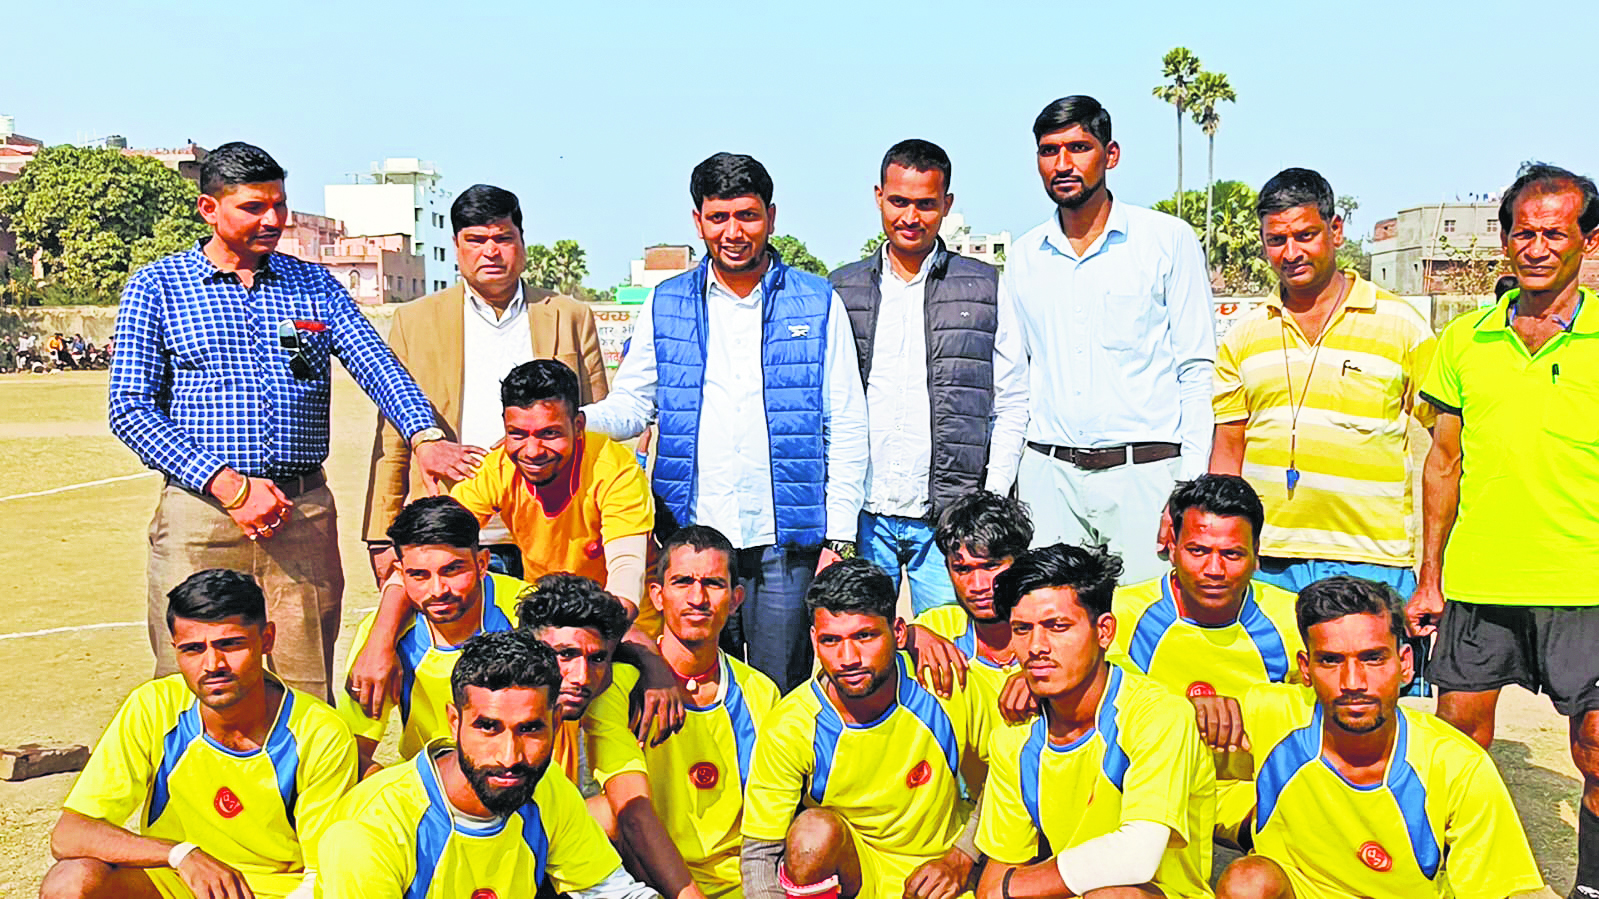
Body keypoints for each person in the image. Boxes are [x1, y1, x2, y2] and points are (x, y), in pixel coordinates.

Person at [108, 141, 479, 701]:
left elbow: (378, 365)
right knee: (195, 687)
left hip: (301, 514)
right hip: (202, 515)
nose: (272, 220)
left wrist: (425, 436)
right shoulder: (157, 286)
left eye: (278, 204)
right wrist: (229, 486)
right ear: (209, 209)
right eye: (253, 207)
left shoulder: (314, 286)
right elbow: (131, 409)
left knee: (305, 686)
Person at [583, 151, 870, 692]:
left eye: (747, 216)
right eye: (718, 217)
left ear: (771, 217)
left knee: (779, 688)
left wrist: (839, 537)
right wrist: (570, 422)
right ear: (698, 221)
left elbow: (847, 423)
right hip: (692, 537)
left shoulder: (815, 301)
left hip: (787, 542)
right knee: (692, 685)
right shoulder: (666, 303)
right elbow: (634, 406)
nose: (733, 232)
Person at [1407, 163, 1599, 899]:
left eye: (1555, 232)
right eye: (1524, 232)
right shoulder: (1463, 340)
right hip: (1481, 579)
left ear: (1587, 241)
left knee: (1596, 750)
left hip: (1584, 583)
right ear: (1505, 240)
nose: (1537, 247)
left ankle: (1590, 886)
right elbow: (1443, 463)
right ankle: (1448, 881)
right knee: (1454, 746)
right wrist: (1430, 577)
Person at [1217, 577, 1542, 899]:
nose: (1353, 682)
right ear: (1306, 668)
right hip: (1298, 890)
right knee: (1247, 883)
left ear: (1405, 664)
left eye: (1372, 658)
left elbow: (1486, 891)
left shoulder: (1458, 765)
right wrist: (1200, 711)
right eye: (1331, 660)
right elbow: (1192, 778)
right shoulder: (1267, 713)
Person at [41, 569, 356, 899]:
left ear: (267, 640)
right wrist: (180, 854)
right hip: (179, 881)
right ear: (175, 649)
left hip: (279, 892)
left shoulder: (320, 732)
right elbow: (69, 835)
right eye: (193, 649)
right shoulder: (154, 707)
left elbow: (323, 874)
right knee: (71, 881)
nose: (213, 664)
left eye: (229, 644)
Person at [1004, 95, 1215, 585]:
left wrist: (1188, 487)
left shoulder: (1167, 240)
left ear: (1111, 154)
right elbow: (1013, 382)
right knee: (1056, 619)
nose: (1063, 164)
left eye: (1078, 148)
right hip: (1049, 477)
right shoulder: (1024, 256)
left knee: (1148, 615)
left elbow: (1197, 371)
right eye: (1049, 151)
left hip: (1146, 475)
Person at [1210, 167, 1436, 609]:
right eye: (1277, 240)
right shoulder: (1244, 336)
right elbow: (1228, 451)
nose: (1291, 252)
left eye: (1305, 235)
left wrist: (1433, 574)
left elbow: (1446, 449)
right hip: (1268, 560)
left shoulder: (1401, 325)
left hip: (1373, 560)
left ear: (1335, 230)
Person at [363, 183, 609, 583]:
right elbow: (393, 434)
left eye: (503, 238)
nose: (491, 251)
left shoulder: (569, 316)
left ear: (522, 242)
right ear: (456, 246)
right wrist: (381, 534)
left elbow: (598, 422)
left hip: (555, 532)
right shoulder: (415, 321)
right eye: (476, 240)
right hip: (451, 531)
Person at [829, 139, 1028, 615]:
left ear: (947, 204)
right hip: (864, 514)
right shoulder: (840, 289)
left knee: (951, 646)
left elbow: (1012, 401)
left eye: (926, 204)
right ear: (879, 197)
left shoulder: (985, 287)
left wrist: (990, 499)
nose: (910, 217)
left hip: (950, 520)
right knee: (868, 643)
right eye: (899, 201)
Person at [317, 629, 660, 899]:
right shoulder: (369, 832)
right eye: (488, 727)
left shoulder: (545, 786)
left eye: (530, 729)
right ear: (454, 722)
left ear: (556, 721)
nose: (509, 757)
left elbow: (613, 892)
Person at [741, 558, 993, 899]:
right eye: (831, 640)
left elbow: (1006, 775)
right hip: (857, 875)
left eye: (864, 636)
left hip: (943, 871)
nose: (848, 658)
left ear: (898, 632)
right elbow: (760, 855)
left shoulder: (944, 684)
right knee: (811, 836)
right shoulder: (792, 726)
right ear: (814, 639)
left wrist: (963, 857)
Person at [973, 544, 1215, 899]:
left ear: (1104, 631)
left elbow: (1138, 855)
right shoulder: (1014, 739)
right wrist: (1003, 888)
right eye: (1022, 629)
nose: (1036, 646)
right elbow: (996, 876)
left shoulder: (1158, 715)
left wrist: (1010, 887)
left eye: (1057, 626)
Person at [1107, 474, 1299, 843]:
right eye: (1198, 551)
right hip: (1146, 792)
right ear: (1172, 547)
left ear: (1256, 554)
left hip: (1246, 796)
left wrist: (1249, 712)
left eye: (1231, 554)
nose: (1214, 569)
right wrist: (1184, 711)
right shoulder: (1121, 614)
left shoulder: (1293, 620)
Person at [518, 573, 709, 899]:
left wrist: (651, 662)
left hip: (563, 857)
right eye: (565, 655)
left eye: (596, 659)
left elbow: (633, 812)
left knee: (610, 814)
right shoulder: (501, 709)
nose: (581, 677)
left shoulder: (600, 695)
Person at [335, 496, 529, 776]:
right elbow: (354, 750)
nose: (438, 590)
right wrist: (409, 792)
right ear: (400, 574)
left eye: (452, 570)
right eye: (419, 575)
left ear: (482, 563)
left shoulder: (526, 612)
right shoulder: (381, 637)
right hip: (433, 784)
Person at [642, 524, 782, 898]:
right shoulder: (625, 688)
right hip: (646, 882)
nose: (697, 598)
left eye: (713, 584)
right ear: (657, 595)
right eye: (682, 582)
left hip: (742, 883)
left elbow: (769, 817)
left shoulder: (761, 693)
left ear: (736, 599)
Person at [914, 490, 1033, 700]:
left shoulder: (1058, 625)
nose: (977, 585)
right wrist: (911, 636)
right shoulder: (936, 627)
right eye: (962, 569)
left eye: (990, 566)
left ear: (1020, 562)